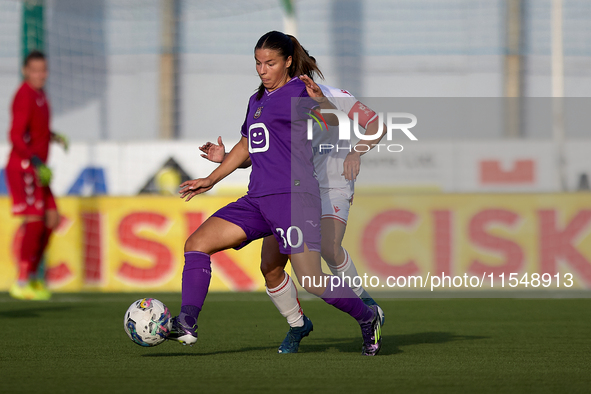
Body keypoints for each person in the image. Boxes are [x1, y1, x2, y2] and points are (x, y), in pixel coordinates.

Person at [169, 31, 382, 356]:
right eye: (258, 63)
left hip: (294, 199)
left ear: (286, 62)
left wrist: (322, 102)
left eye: (269, 63)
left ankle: (368, 317)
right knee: (198, 244)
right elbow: (247, 147)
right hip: (258, 199)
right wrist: (212, 177)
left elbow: (334, 120)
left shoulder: (301, 91)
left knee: (311, 280)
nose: (262, 69)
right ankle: (186, 322)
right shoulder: (257, 101)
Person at [5, 50, 68, 300]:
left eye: (43, 70)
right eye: (35, 70)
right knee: (33, 220)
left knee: (51, 219)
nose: (40, 75)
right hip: (24, 168)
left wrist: (53, 136)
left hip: (38, 169)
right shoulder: (24, 95)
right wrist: (33, 160)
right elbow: (15, 135)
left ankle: (31, 277)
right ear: (25, 71)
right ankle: (21, 281)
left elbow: (36, 129)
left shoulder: (41, 95)